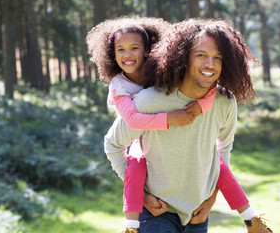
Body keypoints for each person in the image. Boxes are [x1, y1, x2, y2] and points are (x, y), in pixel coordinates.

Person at [104, 18, 273, 232]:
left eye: (217, 58)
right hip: (157, 215)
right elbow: (113, 145)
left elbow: (222, 151)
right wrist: (141, 196)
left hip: (198, 216)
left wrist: (211, 198)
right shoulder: (149, 101)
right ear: (183, 57)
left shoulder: (225, 102)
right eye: (201, 55)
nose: (209, 64)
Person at [86, 17, 217, 233]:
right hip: (139, 142)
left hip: (170, 161)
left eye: (134, 48)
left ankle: (249, 215)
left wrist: (203, 104)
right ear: (113, 54)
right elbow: (133, 120)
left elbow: (206, 86)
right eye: (121, 49)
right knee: (136, 166)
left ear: (147, 50)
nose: (127, 55)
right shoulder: (119, 86)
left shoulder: (159, 71)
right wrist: (169, 118)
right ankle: (130, 225)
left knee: (221, 166)